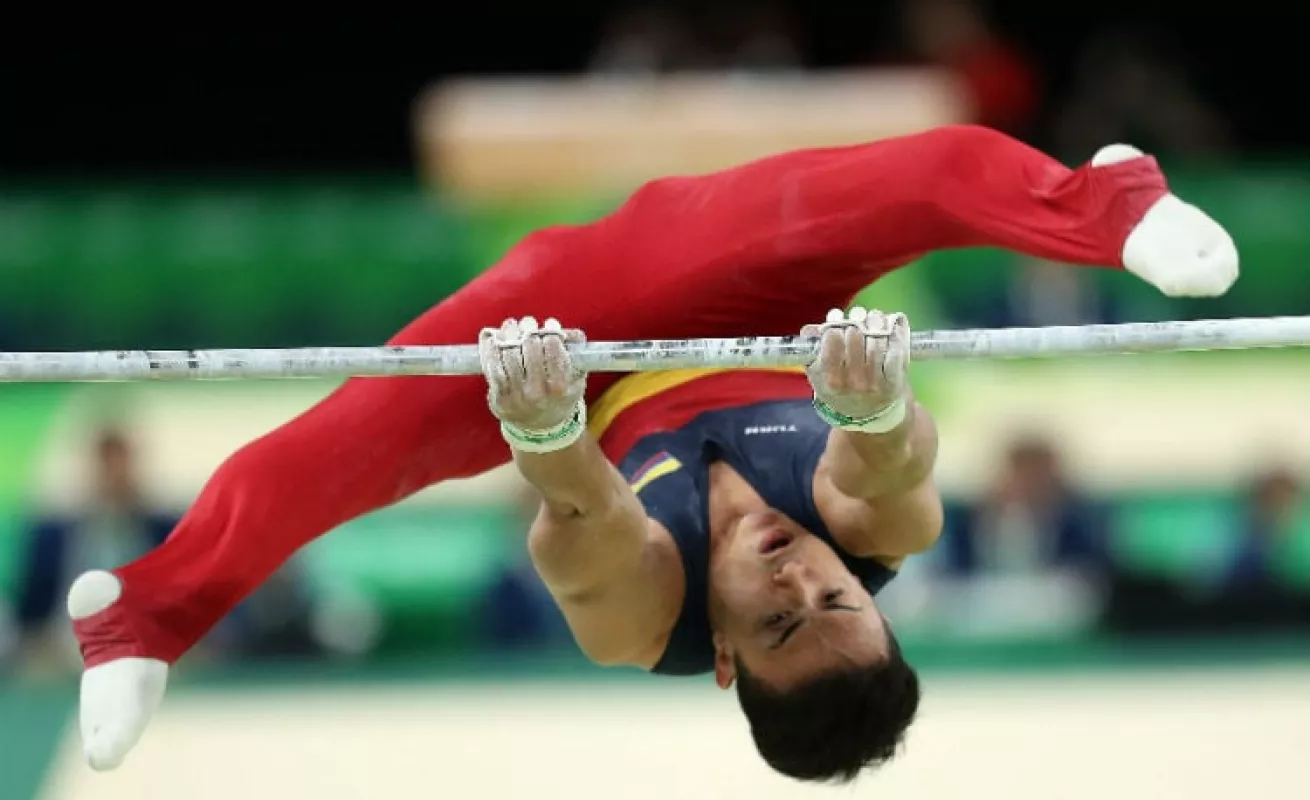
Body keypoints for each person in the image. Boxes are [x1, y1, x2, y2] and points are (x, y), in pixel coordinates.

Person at [67, 125, 1238, 780]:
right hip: (742, 289)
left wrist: (543, 428)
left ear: (722, 659)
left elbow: (590, 521)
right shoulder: (884, 536)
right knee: (926, 175)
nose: (798, 575)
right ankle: (1107, 202)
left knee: (324, 458)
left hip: (561, 357)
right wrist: (875, 408)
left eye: (779, 618)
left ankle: (140, 616)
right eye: (835, 591)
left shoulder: (638, 626)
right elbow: (881, 477)